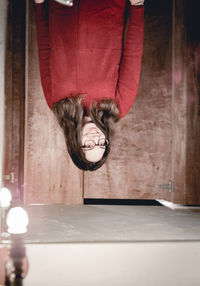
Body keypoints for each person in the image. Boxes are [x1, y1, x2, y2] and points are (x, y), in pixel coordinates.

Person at [34, 0, 144, 171]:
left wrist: (40, 6)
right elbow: (133, 53)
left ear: (75, 145)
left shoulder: (56, 104)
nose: (96, 138)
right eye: (101, 144)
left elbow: (45, 50)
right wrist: (137, 7)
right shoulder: (119, 106)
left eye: (88, 145)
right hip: (107, 7)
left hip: (62, 7)